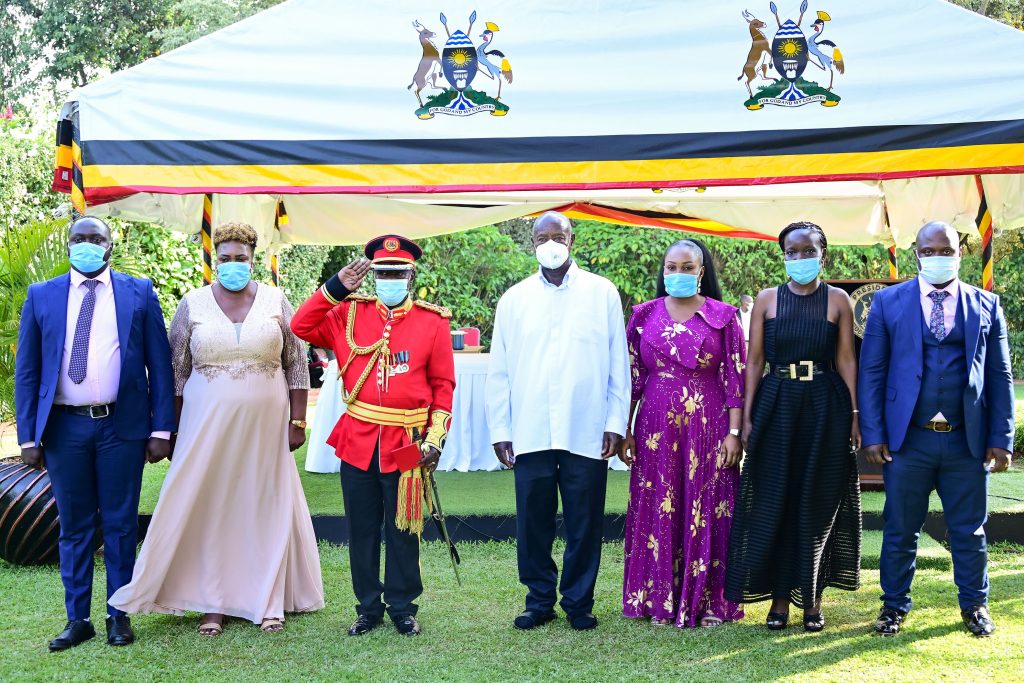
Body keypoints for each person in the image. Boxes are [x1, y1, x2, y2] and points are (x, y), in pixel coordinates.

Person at [109, 222, 324, 635]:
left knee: (263, 503)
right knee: (212, 505)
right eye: (224, 259)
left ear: (252, 259)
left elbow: (297, 363)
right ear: (213, 261)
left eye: (240, 258)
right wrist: (168, 430)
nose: (232, 265)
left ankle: (268, 599)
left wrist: (298, 421)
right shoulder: (192, 304)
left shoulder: (277, 299)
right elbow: (175, 372)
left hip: (267, 426)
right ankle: (213, 602)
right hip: (204, 425)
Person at [15, 216, 175, 651]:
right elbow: (27, 371)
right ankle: (78, 619)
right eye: (79, 238)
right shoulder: (42, 295)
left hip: (121, 427)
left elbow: (159, 365)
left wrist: (162, 428)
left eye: (95, 238)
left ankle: (117, 615)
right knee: (74, 525)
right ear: (69, 244)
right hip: (64, 428)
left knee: (121, 524)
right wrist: (28, 437)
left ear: (110, 245)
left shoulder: (138, 292)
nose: (87, 245)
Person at [291, 234, 455, 638]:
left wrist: (434, 439)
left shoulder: (432, 322)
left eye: (397, 272)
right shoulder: (348, 314)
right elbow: (300, 325)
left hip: (406, 441)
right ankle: (368, 607)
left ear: (411, 275)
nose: (390, 279)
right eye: (383, 273)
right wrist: (335, 288)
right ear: (373, 276)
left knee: (403, 529)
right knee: (361, 530)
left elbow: (443, 386)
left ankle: (402, 607)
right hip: (359, 439)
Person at [859, 221, 1014, 638]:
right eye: (928, 251)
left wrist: (1001, 438)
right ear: (916, 254)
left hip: (967, 440)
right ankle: (893, 607)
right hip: (910, 441)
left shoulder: (986, 305)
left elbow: (1000, 374)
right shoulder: (889, 303)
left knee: (969, 529)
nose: (936, 257)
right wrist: (872, 434)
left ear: (959, 253)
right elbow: (871, 372)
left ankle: (975, 605)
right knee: (899, 528)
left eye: (944, 250)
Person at [486, 211, 630, 632]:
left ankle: (579, 601)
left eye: (558, 235)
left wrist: (615, 422)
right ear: (533, 243)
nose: (550, 243)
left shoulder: (602, 293)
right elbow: (499, 372)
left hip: (586, 427)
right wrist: (501, 430)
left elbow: (617, 366)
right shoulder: (514, 299)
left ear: (572, 240)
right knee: (533, 520)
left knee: (585, 520)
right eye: (541, 237)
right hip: (530, 429)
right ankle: (539, 600)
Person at [724, 221, 861, 632]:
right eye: (791, 252)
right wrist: (746, 418)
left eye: (808, 251)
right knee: (774, 501)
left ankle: (812, 601)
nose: (799, 259)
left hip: (825, 407)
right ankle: (779, 600)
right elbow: (754, 362)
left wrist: (854, 415)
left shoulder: (837, 300)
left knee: (817, 502)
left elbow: (846, 361)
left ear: (823, 254)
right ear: (783, 255)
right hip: (777, 405)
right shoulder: (767, 300)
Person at [620, 239, 745, 628]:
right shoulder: (643, 316)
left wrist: (735, 434)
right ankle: (659, 599)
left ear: (701, 272)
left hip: (709, 426)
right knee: (659, 503)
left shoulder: (724, 317)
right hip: (654, 427)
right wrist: (624, 431)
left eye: (686, 267)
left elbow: (736, 380)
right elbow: (630, 379)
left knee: (707, 504)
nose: (677, 274)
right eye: (671, 267)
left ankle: (709, 601)